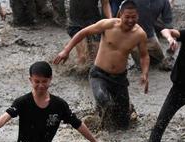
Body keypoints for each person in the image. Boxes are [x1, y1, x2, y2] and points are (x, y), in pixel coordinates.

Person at [54, 0, 149, 130]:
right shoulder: (108, 25)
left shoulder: (140, 34)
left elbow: (144, 55)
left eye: (134, 17)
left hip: (120, 79)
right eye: (127, 17)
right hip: (99, 75)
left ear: (138, 16)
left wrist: (144, 73)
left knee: (123, 123)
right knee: (105, 102)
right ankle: (100, 130)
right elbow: (83, 32)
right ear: (121, 14)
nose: (130, 20)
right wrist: (66, 50)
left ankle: (125, 112)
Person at [129, 0, 175, 70]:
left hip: (150, 35)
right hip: (132, 37)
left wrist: (171, 38)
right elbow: (120, 17)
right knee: (141, 67)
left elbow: (168, 23)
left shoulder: (163, 2)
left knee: (160, 62)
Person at [66, 0, 111, 65]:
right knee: (83, 57)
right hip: (76, 24)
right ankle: (79, 72)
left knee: (97, 59)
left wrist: (111, 19)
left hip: (94, 23)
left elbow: (105, 3)